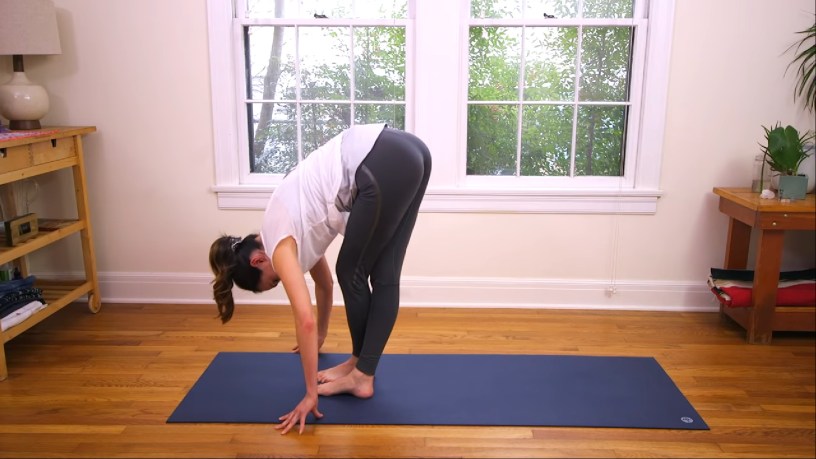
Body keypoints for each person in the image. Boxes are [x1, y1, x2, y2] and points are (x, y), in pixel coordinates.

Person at [208, 123, 431, 435]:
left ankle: (361, 375)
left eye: (273, 281)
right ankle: (359, 367)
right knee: (384, 274)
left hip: (381, 158)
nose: (283, 278)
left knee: (351, 271)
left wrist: (310, 394)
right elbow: (324, 285)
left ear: (258, 260)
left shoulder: (280, 244)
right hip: (408, 150)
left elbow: (305, 320)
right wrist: (322, 336)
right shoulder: (288, 226)